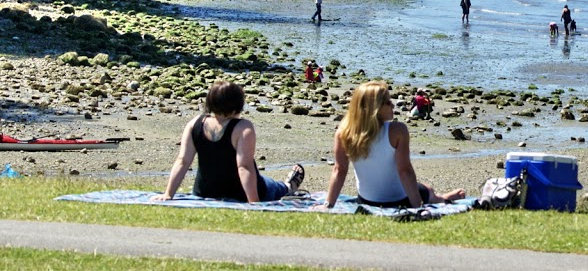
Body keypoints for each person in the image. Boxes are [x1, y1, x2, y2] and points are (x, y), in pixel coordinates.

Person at [155, 80, 304, 202]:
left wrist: (168, 194)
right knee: (273, 186)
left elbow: (182, 161)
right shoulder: (243, 127)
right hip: (239, 193)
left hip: (204, 192)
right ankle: (287, 186)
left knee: (265, 180)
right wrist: (254, 202)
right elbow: (244, 167)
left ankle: (284, 186)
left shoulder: (194, 124)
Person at [322, 81, 464, 209]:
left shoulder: (344, 132)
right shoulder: (397, 131)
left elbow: (339, 170)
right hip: (401, 201)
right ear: (375, 108)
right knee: (427, 190)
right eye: (388, 102)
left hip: (366, 202)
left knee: (421, 188)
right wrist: (418, 208)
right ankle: (440, 198)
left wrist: (328, 205)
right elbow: (405, 171)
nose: (393, 105)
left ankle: (438, 197)